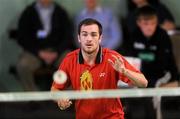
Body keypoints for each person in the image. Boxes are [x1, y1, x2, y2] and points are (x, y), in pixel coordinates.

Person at [51, 18, 148, 119]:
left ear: (100, 38)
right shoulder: (69, 60)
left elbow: (143, 83)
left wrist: (125, 71)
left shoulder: (112, 57)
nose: (89, 39)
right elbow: (55, 89)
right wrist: (60, 99)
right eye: (84, 34)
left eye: (93, 35)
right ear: (79, 38)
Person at [123, 5, 179, 119]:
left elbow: (162, 65)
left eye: (153, 23)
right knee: (124, 87)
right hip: (141, 74)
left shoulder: (162, 36)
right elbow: (130, 60)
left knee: (153, 90)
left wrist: (141, 72)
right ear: (139, 23)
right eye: (146, 24)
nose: (149, 27)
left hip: (164, 74)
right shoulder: (134, 36)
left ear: (156, 22)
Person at [16, 0, 73, 91]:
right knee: (23, 66)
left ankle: (70, 100)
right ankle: (33, 99)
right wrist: (39, 52)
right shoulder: (28, 12)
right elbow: (22, 37)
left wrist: (57, 52)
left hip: (58, 51)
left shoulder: (60, 12)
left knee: (72, 63)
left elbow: (68, 36)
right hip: (35, 52)